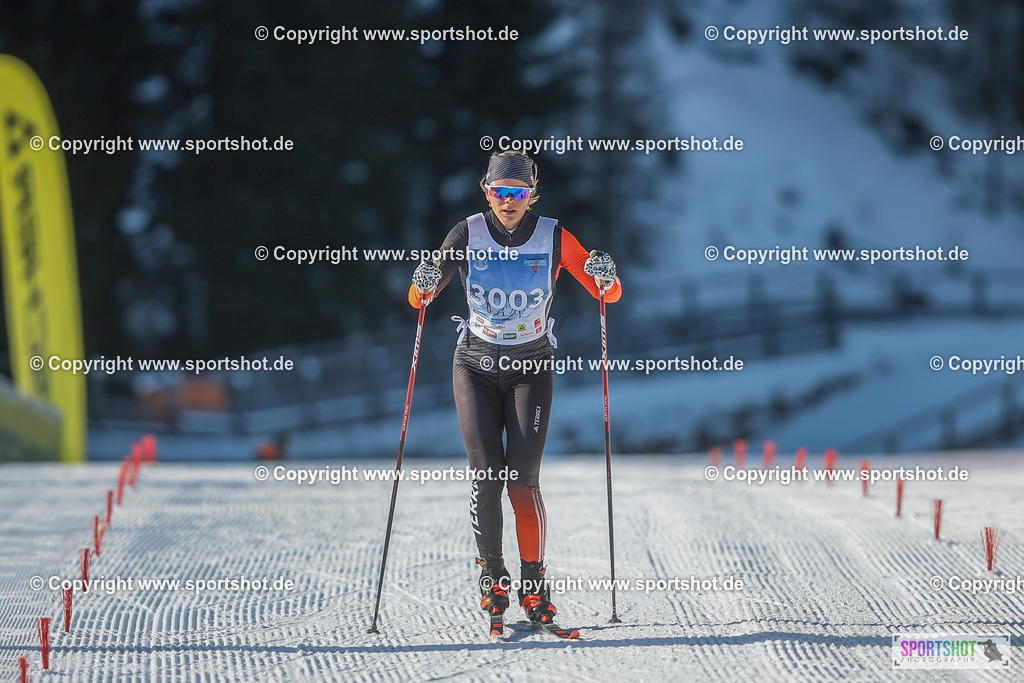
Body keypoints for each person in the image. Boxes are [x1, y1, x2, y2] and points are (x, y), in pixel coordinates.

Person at [408, 150, 622, 628]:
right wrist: (422, 283)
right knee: (486, 474)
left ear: (531, 195)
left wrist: (605, 275)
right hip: (475, 367)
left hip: (530, 369)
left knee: (522, 481)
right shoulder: (466, 233)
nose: (509, 201)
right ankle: (493, 576)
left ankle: (534, 582)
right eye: (501, 192)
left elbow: (607, 292)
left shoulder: (553, 236)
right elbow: (423, 291)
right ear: (487, 191)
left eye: (518, 193)